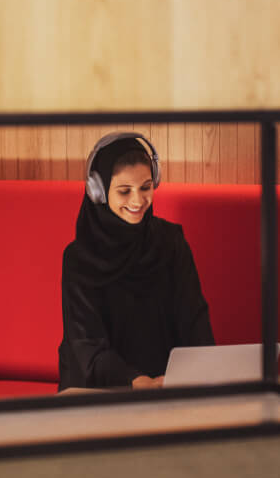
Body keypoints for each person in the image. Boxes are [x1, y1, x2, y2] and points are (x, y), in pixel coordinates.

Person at [57, 132, 214, 390]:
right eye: (124, 191)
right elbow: (87, 346)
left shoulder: (171, 242)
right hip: (100, 388)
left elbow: (194, 321)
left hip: (165, 386)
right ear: (98, 191)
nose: (138, 200)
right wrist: (137, 381)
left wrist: (200, 373)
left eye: (145, 187)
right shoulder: (78, 259)